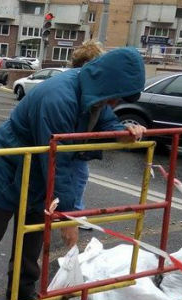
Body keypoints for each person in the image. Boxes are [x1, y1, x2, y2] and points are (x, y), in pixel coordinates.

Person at [0, 47, 147, 300]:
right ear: (110, 83)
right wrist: (67, 216)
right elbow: (59, 162)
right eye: (116, 97)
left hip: (37, 172)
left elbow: (105, 122)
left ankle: (22, 291)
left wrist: (122, 132)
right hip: (8, 169)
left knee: (33, 235)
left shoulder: (94, 93)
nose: (115, 104)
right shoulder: (59, 97)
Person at [70, 40, 106, 230]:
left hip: (78, 144)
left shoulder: (94, 87)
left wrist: (123, 130)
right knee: (63, 175)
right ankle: (72, 214)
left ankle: (74, 212)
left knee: (79, 176)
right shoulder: (70, 85)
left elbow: (106, 115)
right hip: (69, 142)